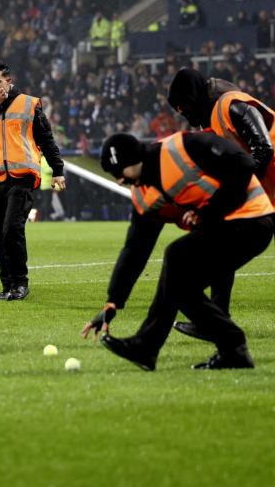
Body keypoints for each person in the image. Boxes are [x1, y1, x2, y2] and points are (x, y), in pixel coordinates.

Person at [82, 131, 274, 371]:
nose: (119, 181)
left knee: (176, 257)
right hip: (226, 228)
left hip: (254, 220)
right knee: (179, 284)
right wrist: (113, 302)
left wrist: (209, 211)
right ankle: (227, 350)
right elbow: (135, 249)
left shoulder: (183, 147)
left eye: (119, 172)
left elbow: (243, 163)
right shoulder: (143, 192)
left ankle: (151, 346)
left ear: (134, 160)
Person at [167, 67, 275, 340]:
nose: (184, 114)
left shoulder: (231, 104)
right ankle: (215, 319)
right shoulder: (212, 119)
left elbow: (264, 148)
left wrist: (239, 190)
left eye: (184, 107)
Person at [0, 61, 66, 301]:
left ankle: (20, 283)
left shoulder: (29, 104)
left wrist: (58, 170)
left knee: (12, 229)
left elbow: (46, 139)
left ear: (9, 81)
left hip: (22, 176)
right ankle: (7, 285)